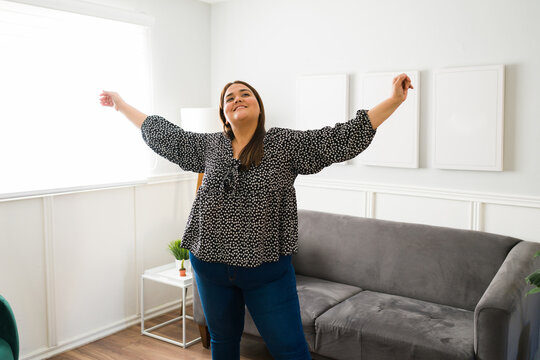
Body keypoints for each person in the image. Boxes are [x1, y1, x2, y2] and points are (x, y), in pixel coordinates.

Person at [99, 74, 413, 360]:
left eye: (245, 94)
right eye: (229, 97)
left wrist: (394, 101)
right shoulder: (209, 146)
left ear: (259, 107)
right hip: (209, 266)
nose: (237, 98)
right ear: (224, 114)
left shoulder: (283, 144)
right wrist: (121, 104)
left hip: (266, 271)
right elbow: (163, 134)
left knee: (289, 349)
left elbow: (339, 139)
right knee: (223, 341)